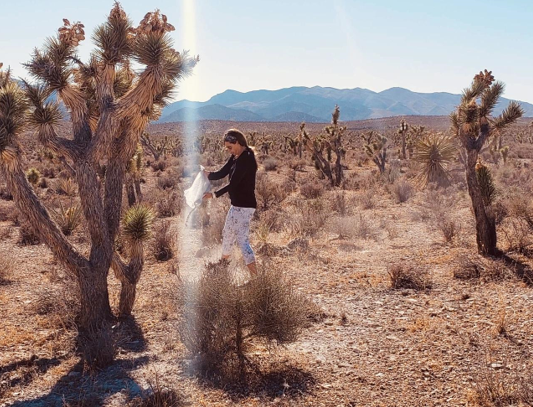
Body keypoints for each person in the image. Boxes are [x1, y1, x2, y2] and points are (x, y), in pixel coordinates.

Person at [202, 129, 258, 275]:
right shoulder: (236, 156)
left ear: (238, 142)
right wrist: (207, 174)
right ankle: (223, 267)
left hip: (245, 206)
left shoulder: (247, 158)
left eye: (229, 147)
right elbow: (222, 172)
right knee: (227, 234)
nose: (228, 151)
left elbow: (233, 184)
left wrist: (214, 195)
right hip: (236, 205)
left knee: (242, 240)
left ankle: (255, 278)